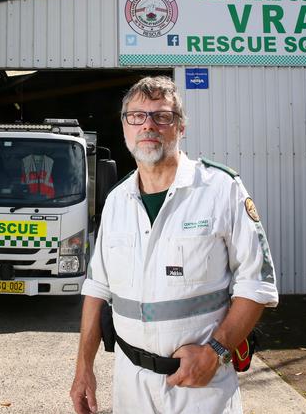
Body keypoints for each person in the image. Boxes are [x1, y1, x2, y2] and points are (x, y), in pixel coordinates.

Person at [70, 76, 278, 414]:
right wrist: (84, 369)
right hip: (130, 385)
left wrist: (216, 352)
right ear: (124, 128)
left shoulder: (221, 190)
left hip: (201, 388)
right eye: (136, 116)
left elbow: (257, 285)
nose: (148, 125)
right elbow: (97, 289)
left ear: (180, 127)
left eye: (161, 116)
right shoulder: (116, 202)